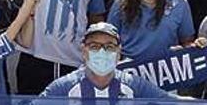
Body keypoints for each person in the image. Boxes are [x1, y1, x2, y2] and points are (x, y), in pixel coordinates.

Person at [40, 23, 171, 99]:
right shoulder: (64, 87)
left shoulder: (135, 85)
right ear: (84, 51)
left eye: (109, 47)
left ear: (119, 52)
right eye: (94, 47)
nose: (102, 52)